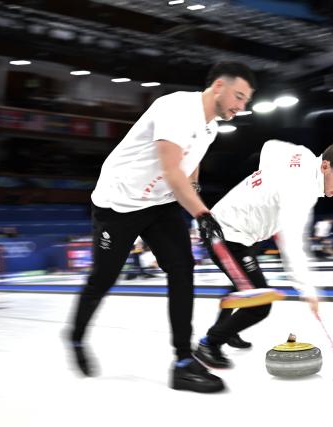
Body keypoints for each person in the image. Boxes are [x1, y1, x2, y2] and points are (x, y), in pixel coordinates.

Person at [65, 61, 256, 393]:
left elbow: (189, 168)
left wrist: (195, 202)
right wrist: (203, 216)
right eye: (239, 97)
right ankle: (77, 336)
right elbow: (171, 170)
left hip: (159, 202)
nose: (241, 107)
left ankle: (183, 363)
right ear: (218, 87)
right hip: (119, 203)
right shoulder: (177, 108)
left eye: (245, 101)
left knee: (182, 269)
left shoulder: (210, 126)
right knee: (103, 278)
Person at [193, 140, 333, 369]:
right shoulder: (301, 191)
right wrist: (307, 289)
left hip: (244, 233)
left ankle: (228, 331)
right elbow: (292, 245)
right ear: (325, 166)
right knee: (259, 305)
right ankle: (209, 344)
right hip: (225, 234)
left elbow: (269, 146)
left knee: (243, 285)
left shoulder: (302, 154)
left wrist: (267, 180)